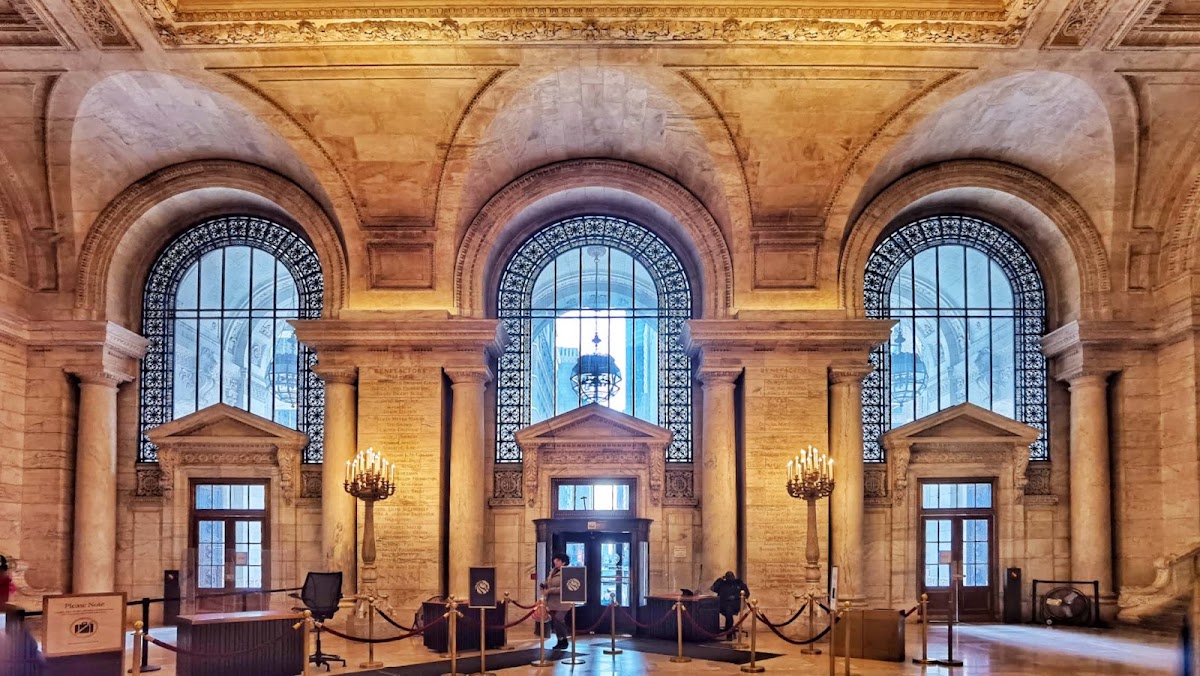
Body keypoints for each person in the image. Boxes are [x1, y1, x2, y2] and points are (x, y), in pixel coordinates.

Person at [539, 552, 571, 650]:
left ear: (563, 562)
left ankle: (564, 639)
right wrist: (544, 584)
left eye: (557, 560)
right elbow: (549, 581)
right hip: (552, 601)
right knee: (556, 621)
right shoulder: (553, 571)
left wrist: (549, 590)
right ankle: (560, 640)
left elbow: (564, 588)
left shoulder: (567, 573)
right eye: (555, 560)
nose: (555, 562)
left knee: (559, 619)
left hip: (563, 601)